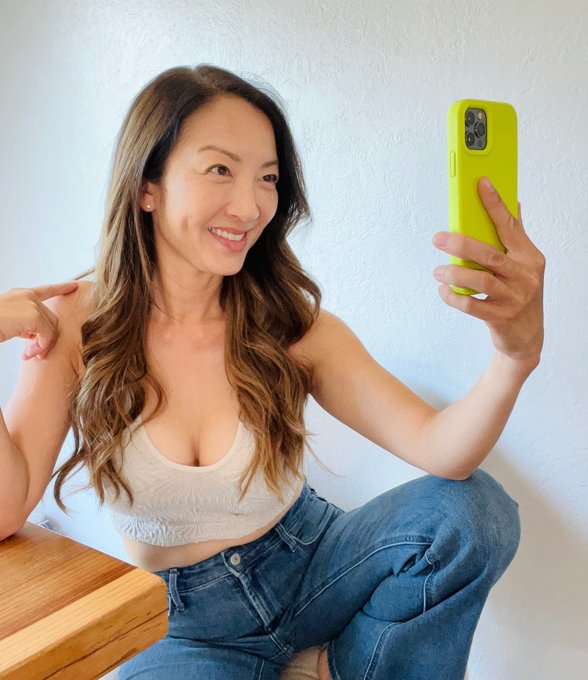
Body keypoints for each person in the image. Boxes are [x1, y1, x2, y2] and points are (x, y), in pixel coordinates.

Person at [0, 65, 544, 680]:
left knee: (474, 513)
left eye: (268, 177)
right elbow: (6, 510)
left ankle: (342, 666)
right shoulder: (77, 322)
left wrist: (514, 358)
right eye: (219, 169)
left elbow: (443, 450)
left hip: (312, 566)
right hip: (185, 626)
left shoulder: (290, 323)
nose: (250, 205)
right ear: (147, 186)